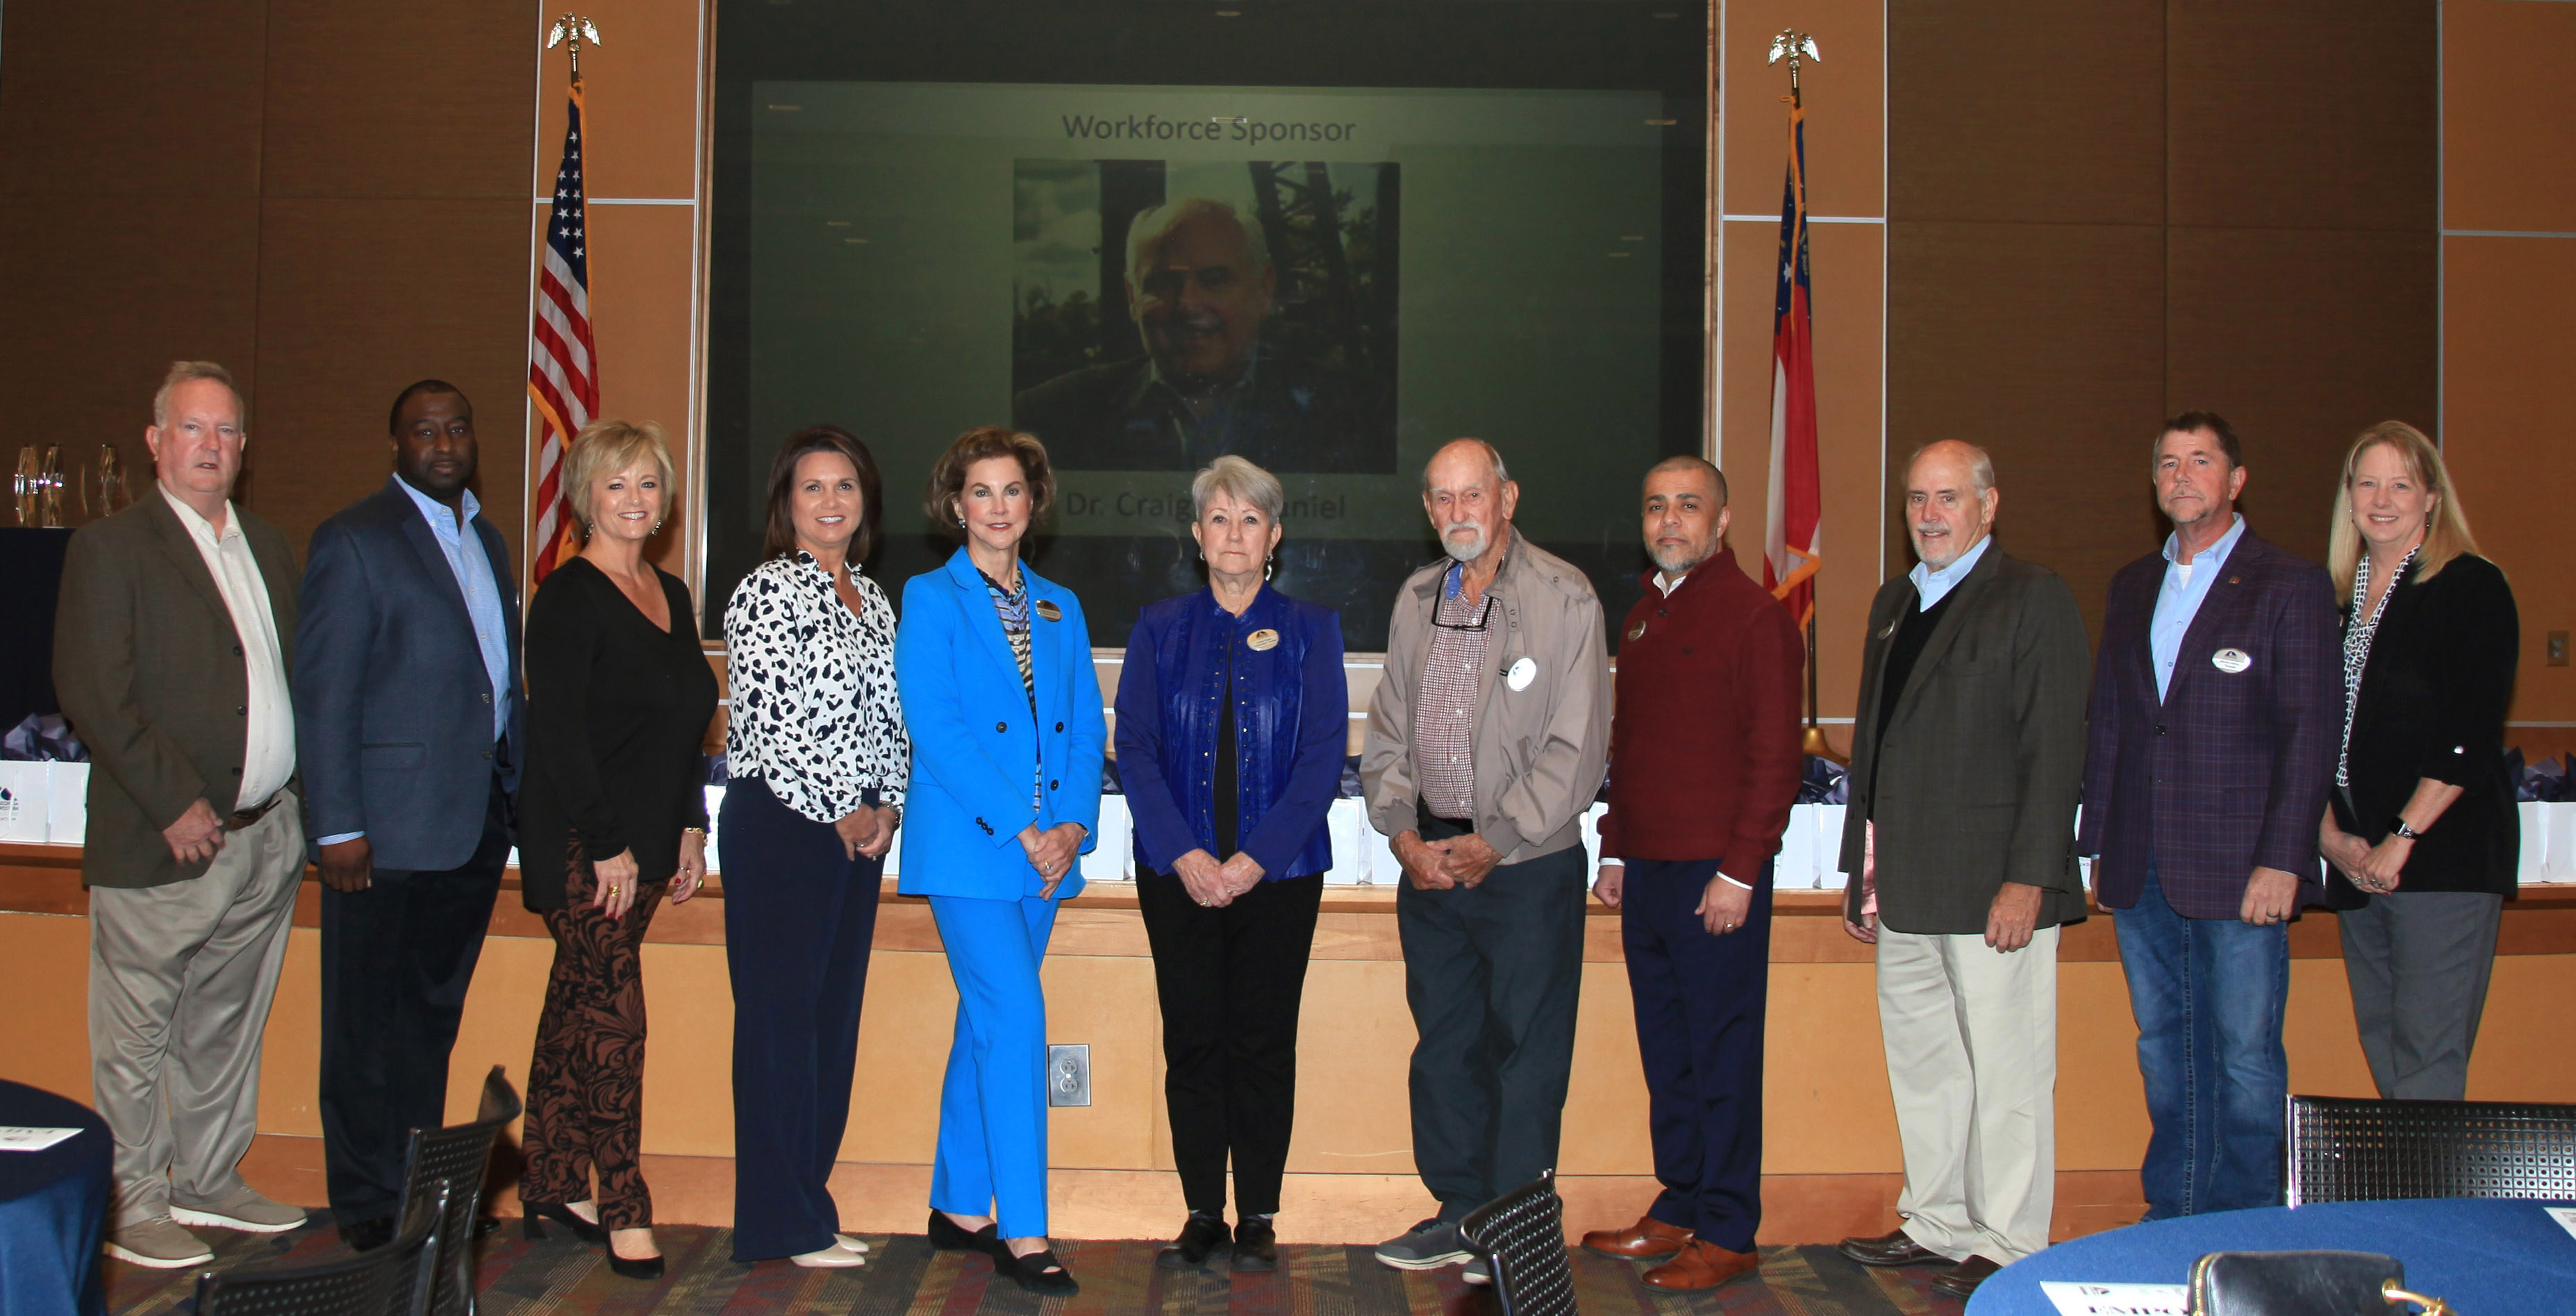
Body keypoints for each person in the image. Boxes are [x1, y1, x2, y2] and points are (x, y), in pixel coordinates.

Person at [54, 362, 308, 1268]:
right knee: (137, 1033)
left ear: (245, 447)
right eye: (193, 429)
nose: (212, 445)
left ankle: (207, 1176)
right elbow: (95, 689)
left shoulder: (269, 546)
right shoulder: (112, 547)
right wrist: (177, 800)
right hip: (164, 837)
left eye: (228, 430)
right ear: (157, 441)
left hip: (263, 836)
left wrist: (289, 808)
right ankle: (133, 1196)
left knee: (225, 1024)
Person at [1832, 441, 2090, 1301]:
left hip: (1993, 889)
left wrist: (2030, 878)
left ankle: (2010, 1239)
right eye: (1916, 499)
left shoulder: (2032, 596)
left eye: (1948, 497)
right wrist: (1859, 869)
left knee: (2008, 1069)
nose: (1930, 514)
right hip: (1905, 886)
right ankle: (1939, 1221)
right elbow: (1875, 749)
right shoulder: (1894, 601)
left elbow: (2053, 750)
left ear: (1989, 504)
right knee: (1928, 1066)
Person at [2079, 412, 2341, 1220]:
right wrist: (2094, 846)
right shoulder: (2131, 584)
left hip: (2242, 864)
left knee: (2245, 1056)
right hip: (2140, 860)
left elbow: (2311, 730)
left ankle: (2249, 1227)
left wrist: (2285, 857)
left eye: (2200, 461)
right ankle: (2176, 1216)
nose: (2181, 475)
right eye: (2166, 462)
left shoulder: (2287, 583)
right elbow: (2112, 721)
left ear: (2236, 479)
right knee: (2165, 1051)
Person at [1361, 438, 1610, 1285]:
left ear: (1507, 498)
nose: (1457, 512)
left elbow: (1576, 746)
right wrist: (1400, 831)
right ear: (1427, 509)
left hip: (1524, 864)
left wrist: (1495, 839)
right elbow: (1388, 726)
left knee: (1526, 1050)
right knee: (1446, 1043)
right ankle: (1458, 1210)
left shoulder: (1563, 595)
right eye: (1441, 498)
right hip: (1430, 860)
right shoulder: (1417, 596)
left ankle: (1512, 1225)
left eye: (1473, 495)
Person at [294, 379, 521, 1251]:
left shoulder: (488, 539)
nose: (442, 442)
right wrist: (336, 824)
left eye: (457, 427)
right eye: (423, 431)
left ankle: (417, 1187)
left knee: (429, 1021)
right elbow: (325, 694)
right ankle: (363, 1201)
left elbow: (491, 680)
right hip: (377, 834)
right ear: (395, 444)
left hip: (468, 824)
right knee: (364, 1026)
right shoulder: (355, 540)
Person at [1113, 455, 1349, 1274]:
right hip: (1174, 874)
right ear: (1196, 534)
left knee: (1261, 1040)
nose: (1233, 533)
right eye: (1218, 517)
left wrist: (1252, 860)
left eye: (1250, 518)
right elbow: (1134, 746)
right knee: (1193, 1040)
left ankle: (1259, 1209)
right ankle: (1200, 1209)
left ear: (1274, 534)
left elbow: (1323, 755)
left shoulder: (1313, 628)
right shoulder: (1158, 625)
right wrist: (1186, 852)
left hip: (1279, 879)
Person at [1579, 456, 1802, 1291]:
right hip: (1651, 876)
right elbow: (1631, 749)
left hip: (1718, 878)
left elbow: (1776, 756)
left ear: (1722, 520)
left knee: (1721, 1056)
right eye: (1655, 507)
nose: (1669, 520)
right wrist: (1617, 847)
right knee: (1668, 1053)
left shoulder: (1755, 618)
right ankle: (1678, 1203)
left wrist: (1740, 870)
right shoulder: (1639, 618)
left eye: (1687, 506)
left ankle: (1727, 1228)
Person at [895, 426, 1106, 1297]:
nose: (998, 506)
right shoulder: (929, 596)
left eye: (1012, 490)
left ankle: (955, 1201)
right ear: (955, 505)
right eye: (980, 491)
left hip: (1044, 859)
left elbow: (1088, 725)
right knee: (1018, 1018)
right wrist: (1023, 822)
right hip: (971, 853)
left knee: (981, 1024)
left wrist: (1073, 828)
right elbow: (934, 727)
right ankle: (1023, 1226)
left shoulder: (1060, 602)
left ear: (1034, 501)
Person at [513, 419, 719, 1278]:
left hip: (644, 842)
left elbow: (679, 726)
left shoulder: (668, 591)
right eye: (616, 484)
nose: (635, 499)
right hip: (581, 842)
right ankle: (623, 1200)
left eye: (648, 484)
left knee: (577, 1009)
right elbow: (556, 733)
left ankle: (550, 1179)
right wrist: (604, 843)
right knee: (615, 1022)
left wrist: (690, 824)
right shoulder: (567, 594)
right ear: (584, 496)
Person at [719, 426, 910, 1268]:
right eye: (813, 488)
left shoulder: (875, 598)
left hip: (858, 835)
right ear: (786, 505)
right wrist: (844, 808)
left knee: (830, 1023)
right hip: (783, 828)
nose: (831, 501)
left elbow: (891, 720)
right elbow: (779, 717)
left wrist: (888, 807)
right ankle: (774, 1220)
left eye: (845, 486)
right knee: (777, 1025)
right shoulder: (764, 591)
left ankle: (810, 1202)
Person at [2316, 422, 2519, 1099]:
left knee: (2427, 1060)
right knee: (2386, 1045)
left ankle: (2429, 1207)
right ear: (2347, 497)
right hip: (2354, 857)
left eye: (2400, 483)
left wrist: (2400, 837)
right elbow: (2310, 728)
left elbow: (2469, 730)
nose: (2382, 498)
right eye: (2367, 482)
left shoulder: (2469, 586)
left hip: (2438, 859)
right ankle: (2408, 1199)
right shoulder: (2336, 599)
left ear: (2431, 496)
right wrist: (2332, 839)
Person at [1013, 198, 1373, 473]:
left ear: (1264, 290)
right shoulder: (1049, 418)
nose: (1187, 304)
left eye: (1215, 280)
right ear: (1131, 296)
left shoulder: (1356, 412)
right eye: (1162, 283)